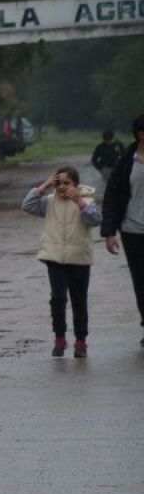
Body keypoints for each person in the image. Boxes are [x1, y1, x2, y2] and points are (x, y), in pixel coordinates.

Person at [22, 167, 102, 357]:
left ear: (76, 185)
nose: (62, 187)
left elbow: (96, 220)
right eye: (59, 183)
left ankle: (81, 341)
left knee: (79, 301)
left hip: (79, 259)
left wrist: (79, 201)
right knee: (58, 299)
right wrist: (44, 186)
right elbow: (27, 205)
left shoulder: (87, 202)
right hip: (54, 257)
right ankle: (59, 338)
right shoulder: (49, 202)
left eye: (67, 183)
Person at [102, 113, 144, 348]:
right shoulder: (127, 161)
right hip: (133, 230)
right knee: (141, 281)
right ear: (140, 134)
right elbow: (112, 196)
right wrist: (109, 232)